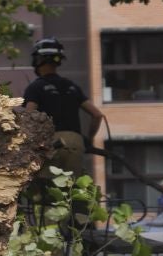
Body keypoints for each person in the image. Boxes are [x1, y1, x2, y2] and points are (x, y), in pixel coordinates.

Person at [23, 37, 104, 177]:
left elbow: (27, 116)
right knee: (70, 191)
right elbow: (97, 115)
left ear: (38, 60)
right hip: (75, 142)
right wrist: (88, 141)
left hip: (49, 144)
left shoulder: (35, 87)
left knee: (45, 191)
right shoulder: (71, 86)